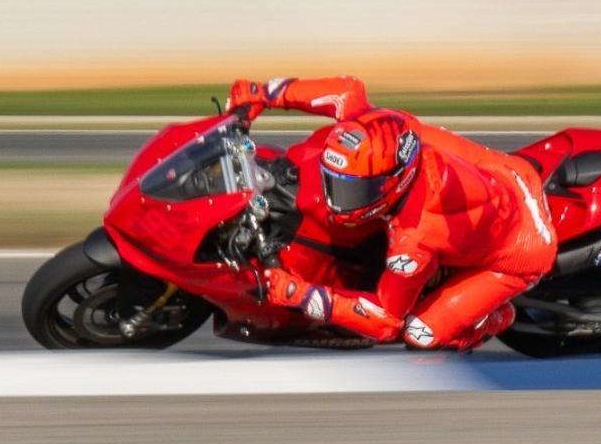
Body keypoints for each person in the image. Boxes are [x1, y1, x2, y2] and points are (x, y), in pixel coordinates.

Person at [227, 76, 557, 350]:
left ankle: (496, 317)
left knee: (420, 333)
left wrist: (298, 293)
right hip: (510, 172)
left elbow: (385, 320)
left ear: (392, 183)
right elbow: (346, 90)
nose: (337, 200)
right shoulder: (385, 127)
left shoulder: (412, 242)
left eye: (354, 192)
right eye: (335, 183)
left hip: (522, 249)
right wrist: (264, 93)